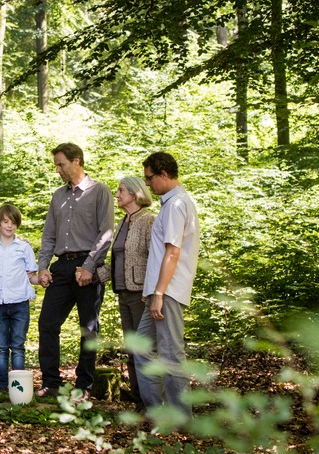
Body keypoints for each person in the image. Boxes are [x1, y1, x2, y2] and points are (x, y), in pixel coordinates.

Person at [36, 143, 114, 400]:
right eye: (56, 165)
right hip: (61, 266)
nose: (58, 169)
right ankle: (51, 383)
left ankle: (84, 385)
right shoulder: (58, 196)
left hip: (88, 265)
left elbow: (105, 234)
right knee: (47, 323)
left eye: (61, 164)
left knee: (88, 328)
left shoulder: (99, 191)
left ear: (76, 161)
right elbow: (49, 235)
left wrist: (90, 267)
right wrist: (43, 268)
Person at [134, 151, 199, 421]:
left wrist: (159, 292)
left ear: (163, 174)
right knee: (141, 348)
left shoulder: (176, 204)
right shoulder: (169, 204)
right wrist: (150, 291)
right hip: (159, 292)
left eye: (149, 178)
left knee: (172, 354)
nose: (147, 184)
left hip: (169, 291)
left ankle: (182, 419)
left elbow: (173, 252)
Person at [96, 176, 155, 409]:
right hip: (123, 293)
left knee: (144, 350)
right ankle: (140, 399)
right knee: (132, 349)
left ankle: (153, 404)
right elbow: (119, 261)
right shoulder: (123, 222)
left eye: (121, 191)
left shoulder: (149, 220)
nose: (117, 195)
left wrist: (151, 291)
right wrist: (92, 275)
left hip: (141, 294)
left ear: (135, 193)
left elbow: (155, 258)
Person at [0, 203, 38, 393]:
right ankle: (1, 388)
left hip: (20, 303)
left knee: (18, 346)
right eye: (6, 222)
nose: (9, 226)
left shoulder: (24, 247)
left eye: (13, 222)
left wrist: (45, 278)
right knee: (1, 348)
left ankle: (18, 390)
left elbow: (31, 273)